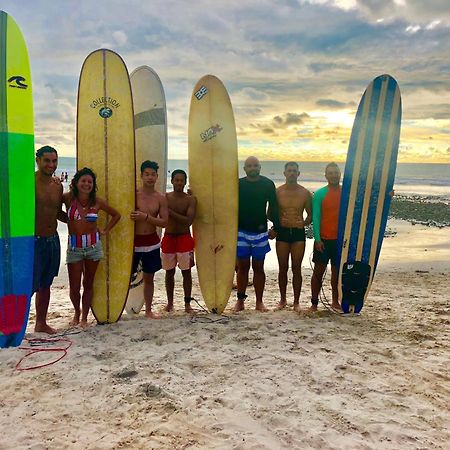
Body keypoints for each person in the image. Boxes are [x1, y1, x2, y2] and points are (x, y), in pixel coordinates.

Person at [63, 167, 120, 328]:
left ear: (93, 185)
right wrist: (68, 221)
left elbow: (117, 215)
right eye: (83, 181)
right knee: (74, 287)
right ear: (76, 183)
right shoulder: (67, 198)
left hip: (93, 247)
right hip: (74, 248)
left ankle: (84, 319)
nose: (86, 184)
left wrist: (105, 230)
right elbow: (53, 209)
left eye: (90, 181)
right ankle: (76, 312)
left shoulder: (97, 201)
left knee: (88, 284)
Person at [233, 156, 280, 313]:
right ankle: (240, 301)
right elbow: (227, 203)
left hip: (260, 233)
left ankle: (259, 302)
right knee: (242, 268)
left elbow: (274, 206)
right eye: (249, 166)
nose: (253, 168)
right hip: (241, 231)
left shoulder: (267, 184)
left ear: (260, 167)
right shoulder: (238, 184)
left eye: (255, 165)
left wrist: (276, 227)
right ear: (245, 169)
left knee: (259, 268)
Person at [33, 146, 67, 334]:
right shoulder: (29, 182)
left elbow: (57, 212)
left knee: (46, 284)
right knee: (28, 283)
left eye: (54, 161)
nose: (51, 165)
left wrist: (78, 221)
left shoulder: (58, 185)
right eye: (47, 161)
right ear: (37, 160)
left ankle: (41, 323)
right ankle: (14, 324)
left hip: (52, 239)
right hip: (33, 240)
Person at [130, 160, 168, 319]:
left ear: (157, 177)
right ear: (141, 176)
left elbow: (164, 222)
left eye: (153, 174)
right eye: (147, 174)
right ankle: (119, 306)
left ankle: (148, 310)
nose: (150, 177)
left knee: (149, 278)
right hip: (133, 242)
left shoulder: (160, 198)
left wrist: (146, 217)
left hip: (151, 242)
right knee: (127, 277)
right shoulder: (133, 195)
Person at [273, 162, 312, 312]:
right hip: (282, 232)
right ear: (284, 173)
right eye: (289, 171)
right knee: (283, 268)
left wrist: (303, 223)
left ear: (298, 174)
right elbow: (271, 212)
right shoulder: (278, 192)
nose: (291, 173)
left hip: (297, 234)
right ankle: (282, 300)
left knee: (296, 268)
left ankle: (296, 302)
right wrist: (277, 222)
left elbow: (310, 215)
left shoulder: (305, 193)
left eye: (294, 171)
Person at [161, 169, 197, 313]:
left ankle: (187, 303)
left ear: (185, 181)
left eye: (182, 180)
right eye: (177, 180)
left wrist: (170, 212)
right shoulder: (165, 198)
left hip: (184, 238)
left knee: (186, 272)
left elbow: (188, 221)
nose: (179, 183)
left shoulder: (190, 199)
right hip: (169, 237)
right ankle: (170, 303)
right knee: (169, 272)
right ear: (172, 181)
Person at [310, 162, 342, 311]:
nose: (334, 175)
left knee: (337, 274)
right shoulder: (320, 194)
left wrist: (387, 193)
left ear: (340, 174)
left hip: (340, 241)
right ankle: (314, 303)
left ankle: (336, 301)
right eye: (331, 173)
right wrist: (317, 239)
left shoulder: (346, 193)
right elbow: (316, 217)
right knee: (318, 273)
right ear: (326, 175)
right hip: (323, 239)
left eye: (336, 172)